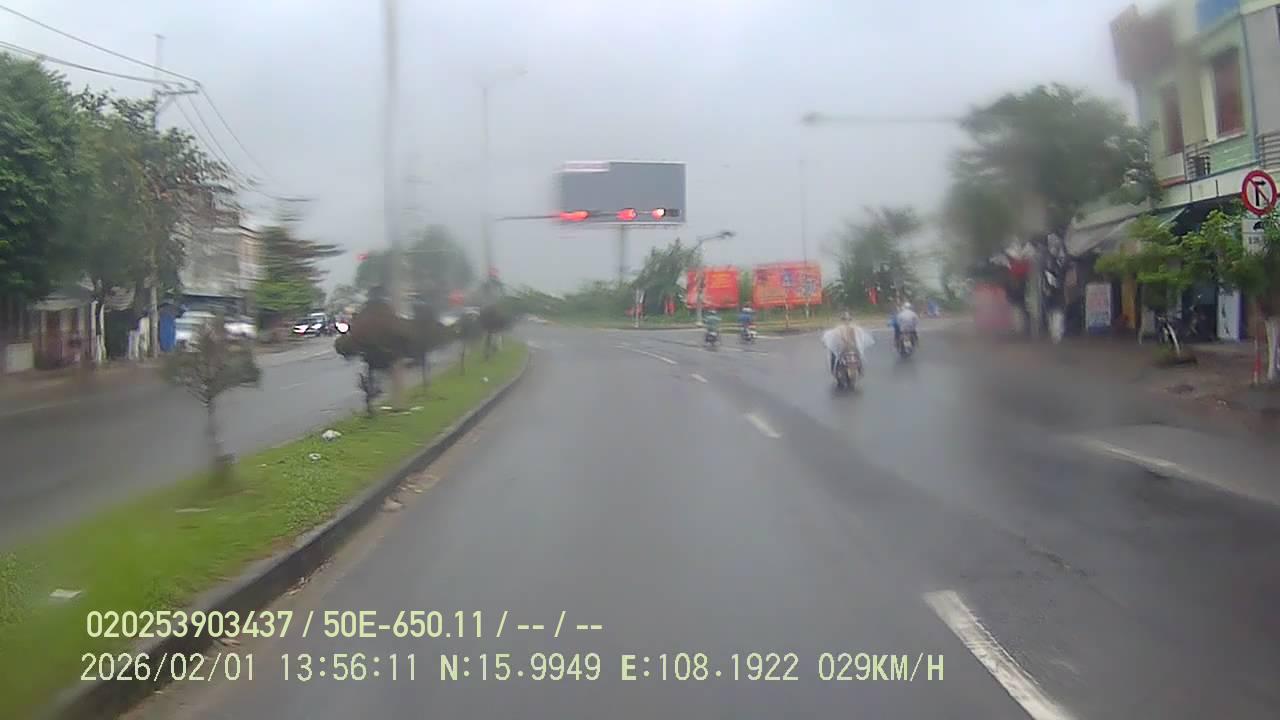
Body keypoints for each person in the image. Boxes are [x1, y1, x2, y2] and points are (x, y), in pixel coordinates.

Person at [822, 311, 870, 377]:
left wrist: (853, 343)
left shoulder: (853, 328)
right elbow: (833, 337)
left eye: (848, 319)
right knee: (834, 355)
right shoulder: (839, 329)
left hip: (850, 347)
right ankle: (835, 371)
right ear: (843, 320)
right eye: (845, 319)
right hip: (843, 348)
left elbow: (857, 338)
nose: (846, 321)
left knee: (858, 356)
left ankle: (859, 369)